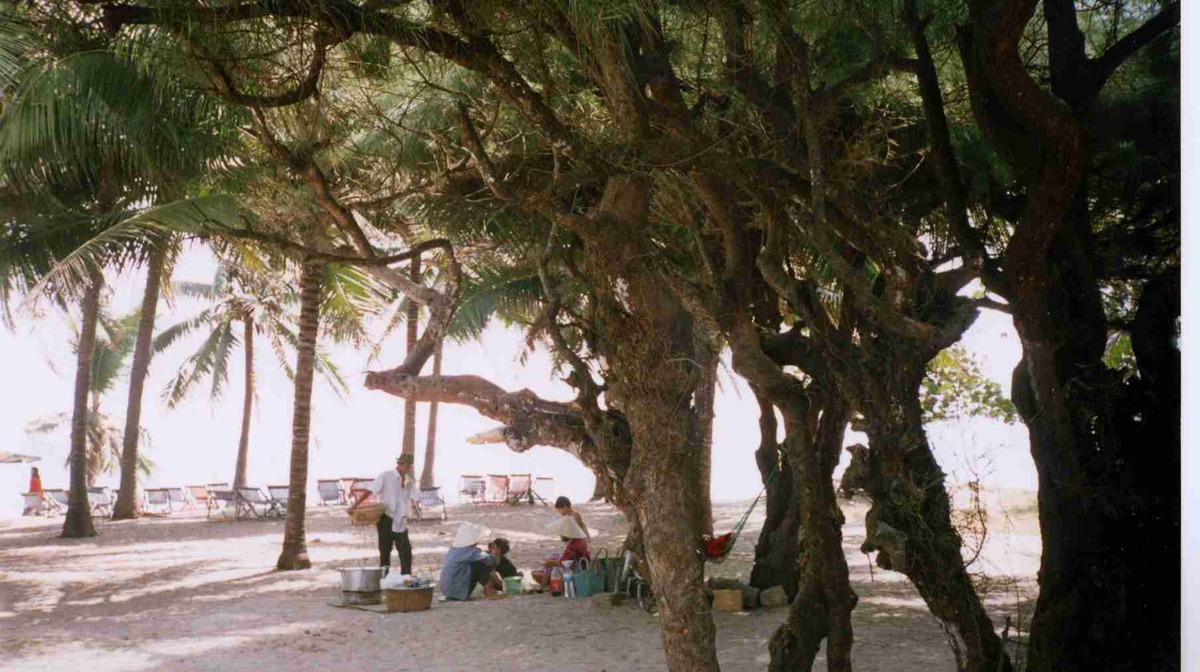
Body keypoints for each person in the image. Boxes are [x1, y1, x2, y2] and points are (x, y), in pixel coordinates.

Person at [348, 454, 417, 575]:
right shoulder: (386, 476)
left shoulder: (408, 481)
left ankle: (406, 578)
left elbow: (410, 498)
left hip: (401, 521)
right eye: (406, 465)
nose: (408, 468)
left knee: (406, 551)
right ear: (399, 464)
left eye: (410, 466)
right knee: (385, 552)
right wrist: (355, 505)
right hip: (386, 518)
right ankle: (384, 580)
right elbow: (370, 490)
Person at [440, 522, 503, 600]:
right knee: (479, 565)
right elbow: (490, 560)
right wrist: (495, 553)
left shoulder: (454, 550)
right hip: (457, 591)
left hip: (448, 590)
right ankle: (489, 590)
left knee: (477, 563)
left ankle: (494, 586)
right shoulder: (469, 551)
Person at [532, 516, 590, 588]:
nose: (560, 535)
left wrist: (550, 562)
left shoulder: (574, 544)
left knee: (551, 564)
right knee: (553, 557)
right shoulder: (578, 540)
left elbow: (564, 563)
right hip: (579, 565)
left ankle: (544, 586)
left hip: (577, 570)